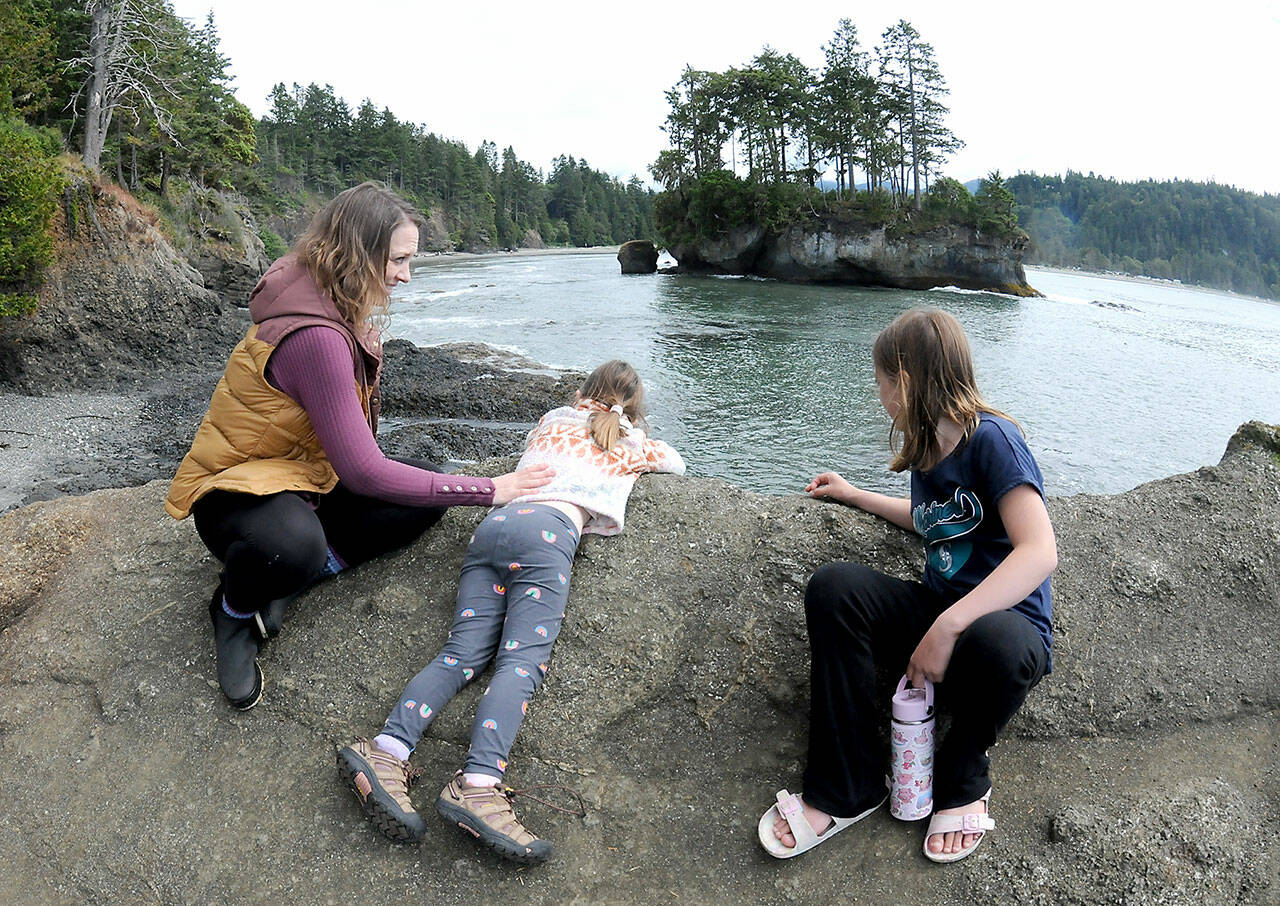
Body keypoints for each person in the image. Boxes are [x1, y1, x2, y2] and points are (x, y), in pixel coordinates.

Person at [165, 182, 553, 711]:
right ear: (358, 251)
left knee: (425, 494)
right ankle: (233, 612)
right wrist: (490, 488)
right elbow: (365, 471)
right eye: (398, 260)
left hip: (303, 479)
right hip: (235, 493)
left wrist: (449, 489)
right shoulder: (316, 336)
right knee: (293, 547)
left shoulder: (332, 301)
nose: (406, 275)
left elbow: (355, 458)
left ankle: (295, 580)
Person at [336, 360, 684, 864]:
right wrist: (632, 432)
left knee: (460, 655)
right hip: (548, 536)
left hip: (494, 527)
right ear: (633, 407)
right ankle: (478, 783)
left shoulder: (552, 419)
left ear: (582, 391)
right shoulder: (627, 442)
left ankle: (387, 751)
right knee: (520, 663)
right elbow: (675, 462)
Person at [758, 307, 1057, 864]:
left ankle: (964, 776)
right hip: (938, 612)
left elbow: (1039, 550)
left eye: (882, 383)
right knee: (834, 588)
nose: (880, 397)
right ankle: (849, 786)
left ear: (907, 382)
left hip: (998, 629)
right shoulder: (927, 450)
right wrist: (855, 495)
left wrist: (949, 625)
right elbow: (934, 522)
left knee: (1003, 645)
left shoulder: (994, 439)